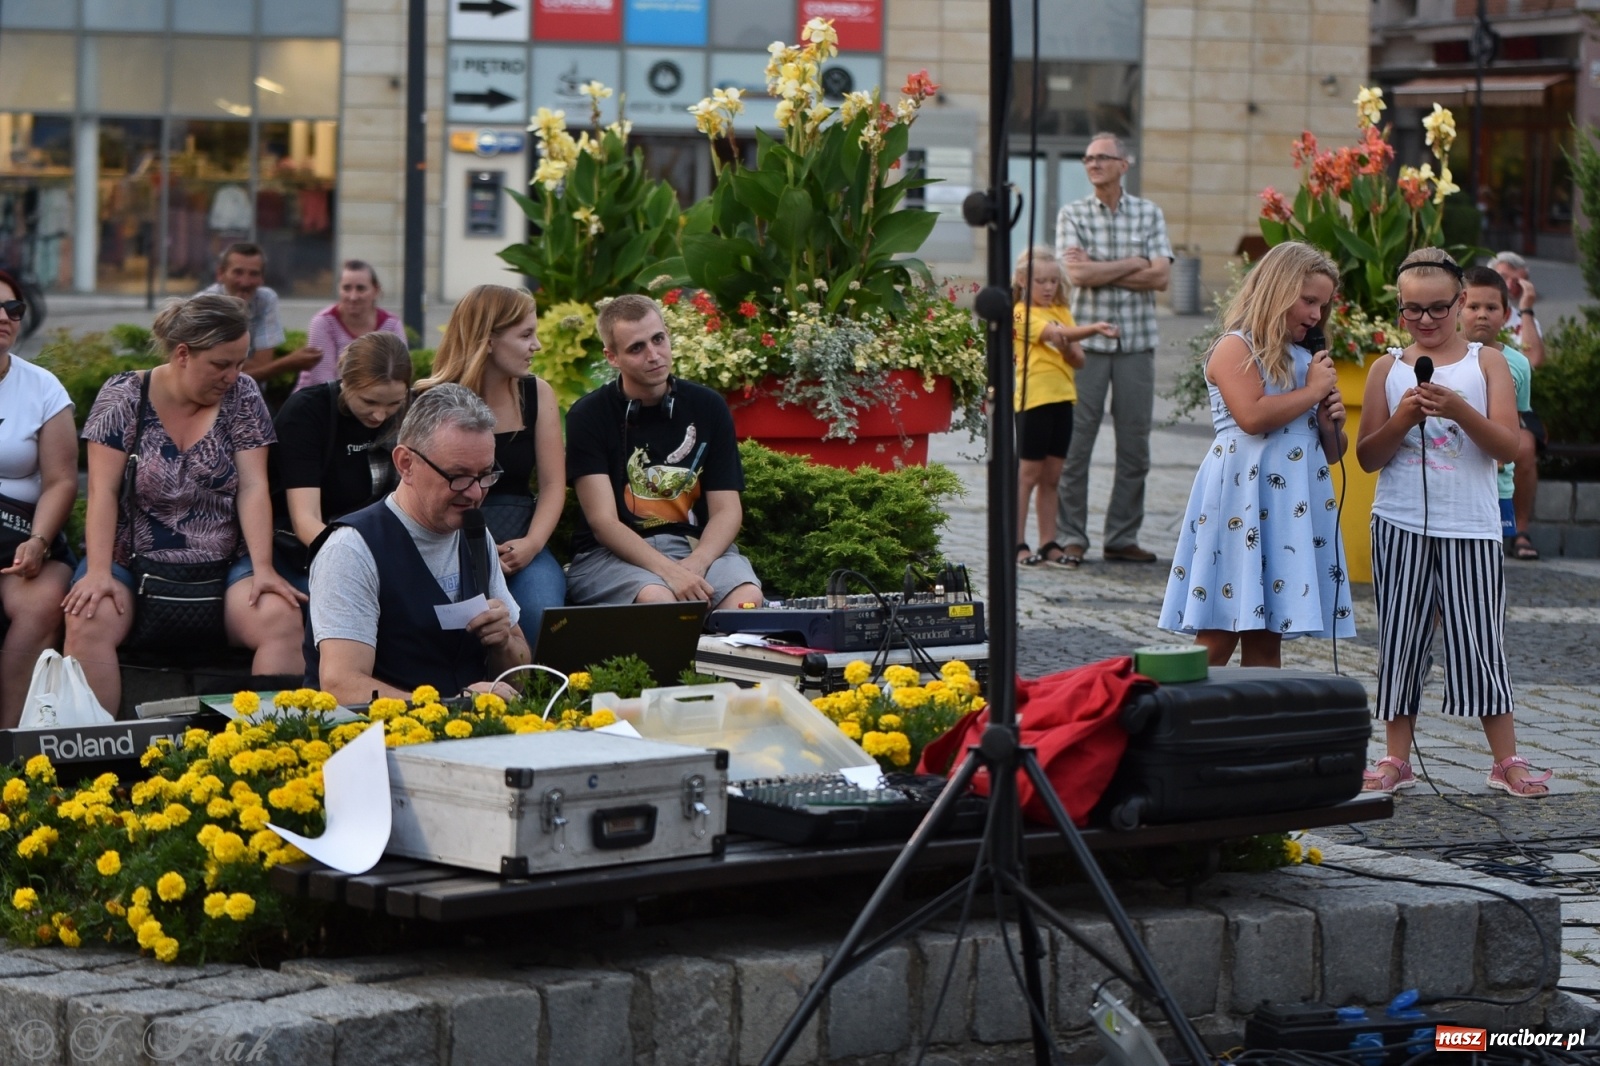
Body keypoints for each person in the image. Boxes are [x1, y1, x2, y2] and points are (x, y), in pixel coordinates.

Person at [1355, 249, 1548, 798]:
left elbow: (1508, 446)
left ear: (1461, 302)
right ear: (1398, 311)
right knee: (1401, 638)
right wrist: (1402, 418)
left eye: (1438, 308)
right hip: (1399, 523)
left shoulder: (1487, 363)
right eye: (1412, 311)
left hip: (1470, 525)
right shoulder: (1386, 368)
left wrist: (1460, 409)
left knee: (1479, 637)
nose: (1426, 321)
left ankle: (1505, 759)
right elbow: (1368, 457)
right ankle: (1396, 757)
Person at [63, 294, 307, 714]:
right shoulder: (124, 395)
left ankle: (269, 751)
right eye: (220, 364)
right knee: (88, 618)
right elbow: (101, 492)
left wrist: (264, 569)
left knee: (280, 619)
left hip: (225, 559)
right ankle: (97, 759)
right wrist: (99, 571)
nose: (233, 375)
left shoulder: (243, 396)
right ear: (182, 355)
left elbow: (253, 487)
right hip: (131, 555)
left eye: (240, 364)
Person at [1157, 242, 1353, 666]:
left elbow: (1335, 451)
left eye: (1323, 305)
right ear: (1277, 292)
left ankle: (1253, 721)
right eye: (1309, 301)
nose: (1316, 315)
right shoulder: (1235, 347)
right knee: (1223, 623)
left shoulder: (1307, 359)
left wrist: (1327, 418)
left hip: (1289, 505)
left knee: (1268, 630)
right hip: (1242, 500)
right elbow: (1252, 416)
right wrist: (1311, 392)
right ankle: (1187, 716)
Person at [305, 383, 529, 703]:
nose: (476, 493)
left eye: (486, 474)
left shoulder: (475, 536)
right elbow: (341, 687)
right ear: (405, 464)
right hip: (375, 743)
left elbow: (521, 678)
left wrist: (504, 642)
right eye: (458, 475)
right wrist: (454, 705)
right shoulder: (351, 549)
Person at [565, 294, 762, 610]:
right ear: (611, 357)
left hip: (695, 547)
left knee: (746, 601)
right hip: (612, 555)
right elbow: (603, 522)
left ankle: (712, 660)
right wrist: (670, 573)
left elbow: (727, 510)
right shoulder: (587, 416)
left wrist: (698, 562)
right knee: (661, 603)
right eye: (636, 348)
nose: (654, 355)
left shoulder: (708, 406)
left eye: (658, 339)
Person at [415, 285, 566, 631]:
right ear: (488, 339)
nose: (536, 346)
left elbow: (554, 484)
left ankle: (536, 687)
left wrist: (532, 544)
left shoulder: (537, 394)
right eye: (526, 334)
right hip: (446, 542)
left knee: (538, 609)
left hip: (521, 544)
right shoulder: (430, 400)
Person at [1053, 131, 1173, 564]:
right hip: (1084, 343)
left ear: (1125, 164)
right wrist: (1134, 264)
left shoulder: (1149, 213)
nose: (1093, 164)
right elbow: (1077, 277)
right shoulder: (1073, 213)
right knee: (1075, 445)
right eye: (1087, 158)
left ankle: (1121, 537)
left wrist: (1101, 267)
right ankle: (1071, 537)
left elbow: (1161, 277)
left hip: (1137, 344)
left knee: (1135, 447)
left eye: (1103, 157)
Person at [270, 331, 413, 594]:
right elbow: (305, 519)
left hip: (384, 541)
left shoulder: (411, 411)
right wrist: (361, 562)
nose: (380, 415)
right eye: (368, 401)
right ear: (345, 381)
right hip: (312, 547)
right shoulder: (307, 412)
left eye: (394, 403)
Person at [0, 268, 76, 727]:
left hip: (22, 532)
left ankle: (7, 745)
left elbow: (62, 481)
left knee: (41, 604)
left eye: (13, 309)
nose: (5, 318)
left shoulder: (42, 387)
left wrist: (39, 541)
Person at [1010, 247, 1116, 568]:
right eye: (1040, 280)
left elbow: (1078, 358)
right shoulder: (1018, 312)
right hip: (1034, 400)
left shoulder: (1061, 311)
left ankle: (1048, 542)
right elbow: (1054, 334)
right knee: (1028, 475)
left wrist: (1068, 341)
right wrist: (1094, 328)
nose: (1047, 287)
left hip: (1062, 399)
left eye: (1053, 281)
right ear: (1022, 280)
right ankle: (1016, 543)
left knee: (1052, 477)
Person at [1460, 266, 1541, 561]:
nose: (1482, 314)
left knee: (1487, 561)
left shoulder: (1518, 364)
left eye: (1491, 307)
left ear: (1506, 315)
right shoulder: (1444, 355)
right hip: (1455, 475)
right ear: (1458, 309)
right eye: (1473, 306)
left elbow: (1516, 421)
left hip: (1498, 484)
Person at [202, 243, 321, 382]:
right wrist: (287, 363)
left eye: (253, 274)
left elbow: (261, 364)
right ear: (220, 274)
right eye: (238, 272)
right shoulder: (204, 305)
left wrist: (238, 364)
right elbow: (218, 374)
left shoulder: (266, 299)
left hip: (253, 394)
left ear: (262, 278)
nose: (245, 282)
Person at [296, 259, 407, 392]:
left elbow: (400, 374)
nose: (353, 296)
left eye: (361, 288)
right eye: (346, 288)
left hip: (376, 401)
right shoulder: (323, 322)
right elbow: (322, 382)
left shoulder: (392, 325)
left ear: (376, 291)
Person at [1488, 251, 1544, 368]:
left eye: (1516, 282)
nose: (1508, 286)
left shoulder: (1525, 321)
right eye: (1503, 277)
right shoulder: (1467, 313)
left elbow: (1534, 361)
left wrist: (1526, 308)